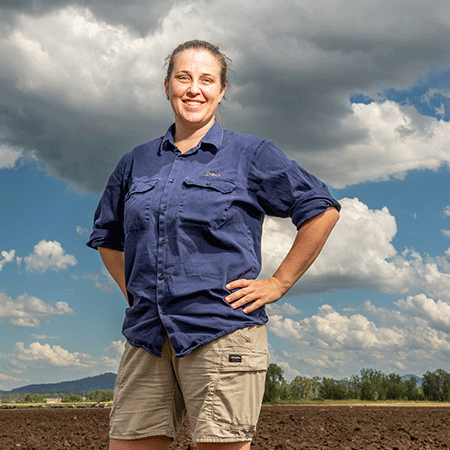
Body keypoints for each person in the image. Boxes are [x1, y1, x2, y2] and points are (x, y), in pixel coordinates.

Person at [87, 39, 340, 450]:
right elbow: (108, 237)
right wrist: (135, 292)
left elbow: (321, 209)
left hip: (221, 333)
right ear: (167, 85)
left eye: (207, 80)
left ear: (221, 91)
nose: (194, 89)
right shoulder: (136, 162)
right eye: (183, 77)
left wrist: (278, 283)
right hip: (148, 337)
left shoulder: (251, 154)